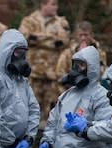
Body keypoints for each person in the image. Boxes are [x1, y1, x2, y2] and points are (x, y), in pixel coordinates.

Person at [18, 0, 70, 129]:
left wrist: (36, 39)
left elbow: (63, 41)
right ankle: (30, 141)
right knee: (30, 108)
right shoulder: (29, 21)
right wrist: (51, 39)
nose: (56, 7)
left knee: (50, 111)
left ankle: (46, 141)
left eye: (56, 4)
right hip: (33, 72)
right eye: (53, 4)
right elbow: (24, 38)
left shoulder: (61, 22)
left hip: (52, 74)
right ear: (43, 4)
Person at [56, 21, 107, 93]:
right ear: (76, 36)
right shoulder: (67, 53)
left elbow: (101, 72)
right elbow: (59, 74)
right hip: (72, 90)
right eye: (80, 35)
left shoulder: (99, 53)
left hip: (92, 90)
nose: (83, 38)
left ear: (91, 35)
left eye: (86, 35)